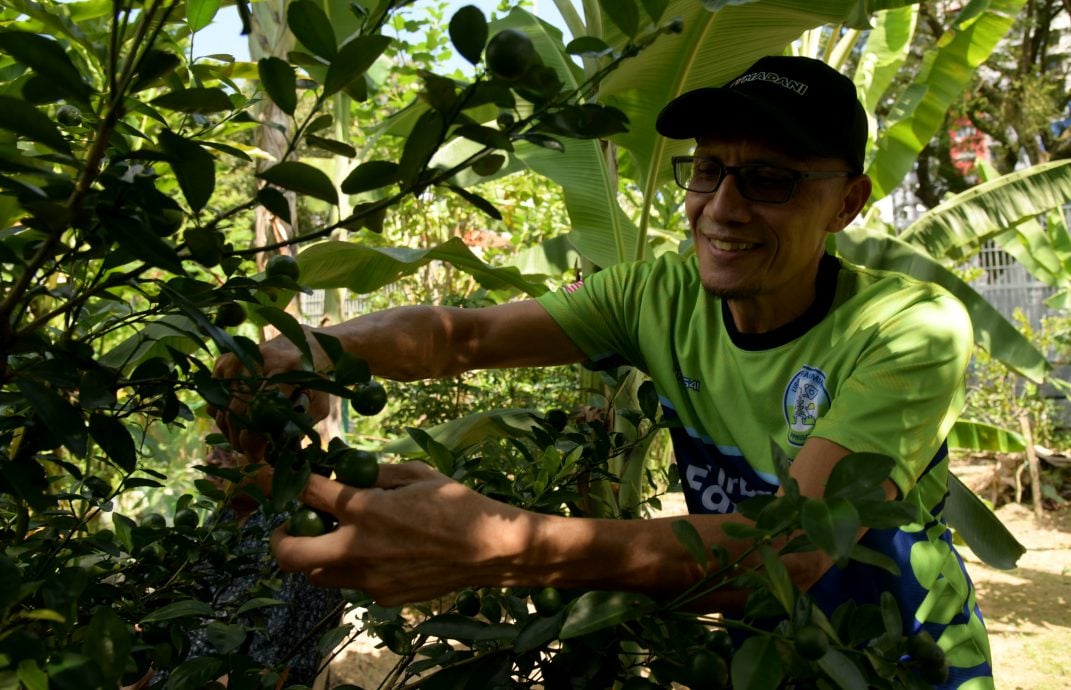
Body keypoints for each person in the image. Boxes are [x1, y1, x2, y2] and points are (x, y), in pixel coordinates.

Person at [213, 56, 992, 688]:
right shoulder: (661, 292)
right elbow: (459, 337)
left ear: (847, 203)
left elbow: (788, 553)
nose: (721, 206)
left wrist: (502, 543)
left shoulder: (907, 329)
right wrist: (311, 351)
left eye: (769, 179)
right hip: (756, 656)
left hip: (896, 662)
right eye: (707, 169)